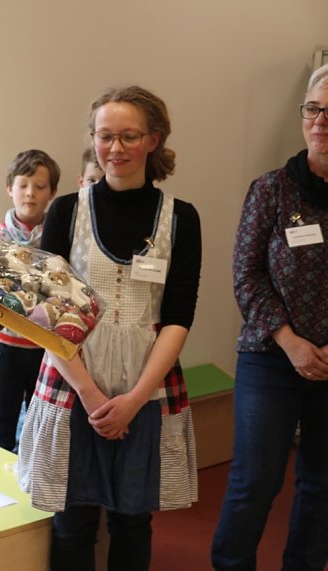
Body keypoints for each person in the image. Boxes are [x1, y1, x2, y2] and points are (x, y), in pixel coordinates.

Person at [17, 85, 202, 571]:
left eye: (129, 136)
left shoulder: (181, 218)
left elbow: (180, 315)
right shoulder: (65, 211)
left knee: (132, 520)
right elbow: (47, 313)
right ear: (93, 140)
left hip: (147, 380)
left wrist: (136, 397)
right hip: (74, 377)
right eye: (105, 137)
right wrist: (92, 395)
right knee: (73, 518)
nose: (115, 148)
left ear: (154, 140)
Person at [211, 63, 328, 571]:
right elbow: (247, 276)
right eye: (313, 109)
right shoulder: (271, 190)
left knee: (322, 483)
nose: (321, 121)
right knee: (254, 480)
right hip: (270, 356)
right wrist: (291, 342)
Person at [0, 149, 59, 451]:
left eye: (40, 187)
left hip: (45, 349)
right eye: (23, 184)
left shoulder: (57, 237)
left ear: (52, 192)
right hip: (4, 348)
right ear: (9, 187)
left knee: (40, 429)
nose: (30, 193)